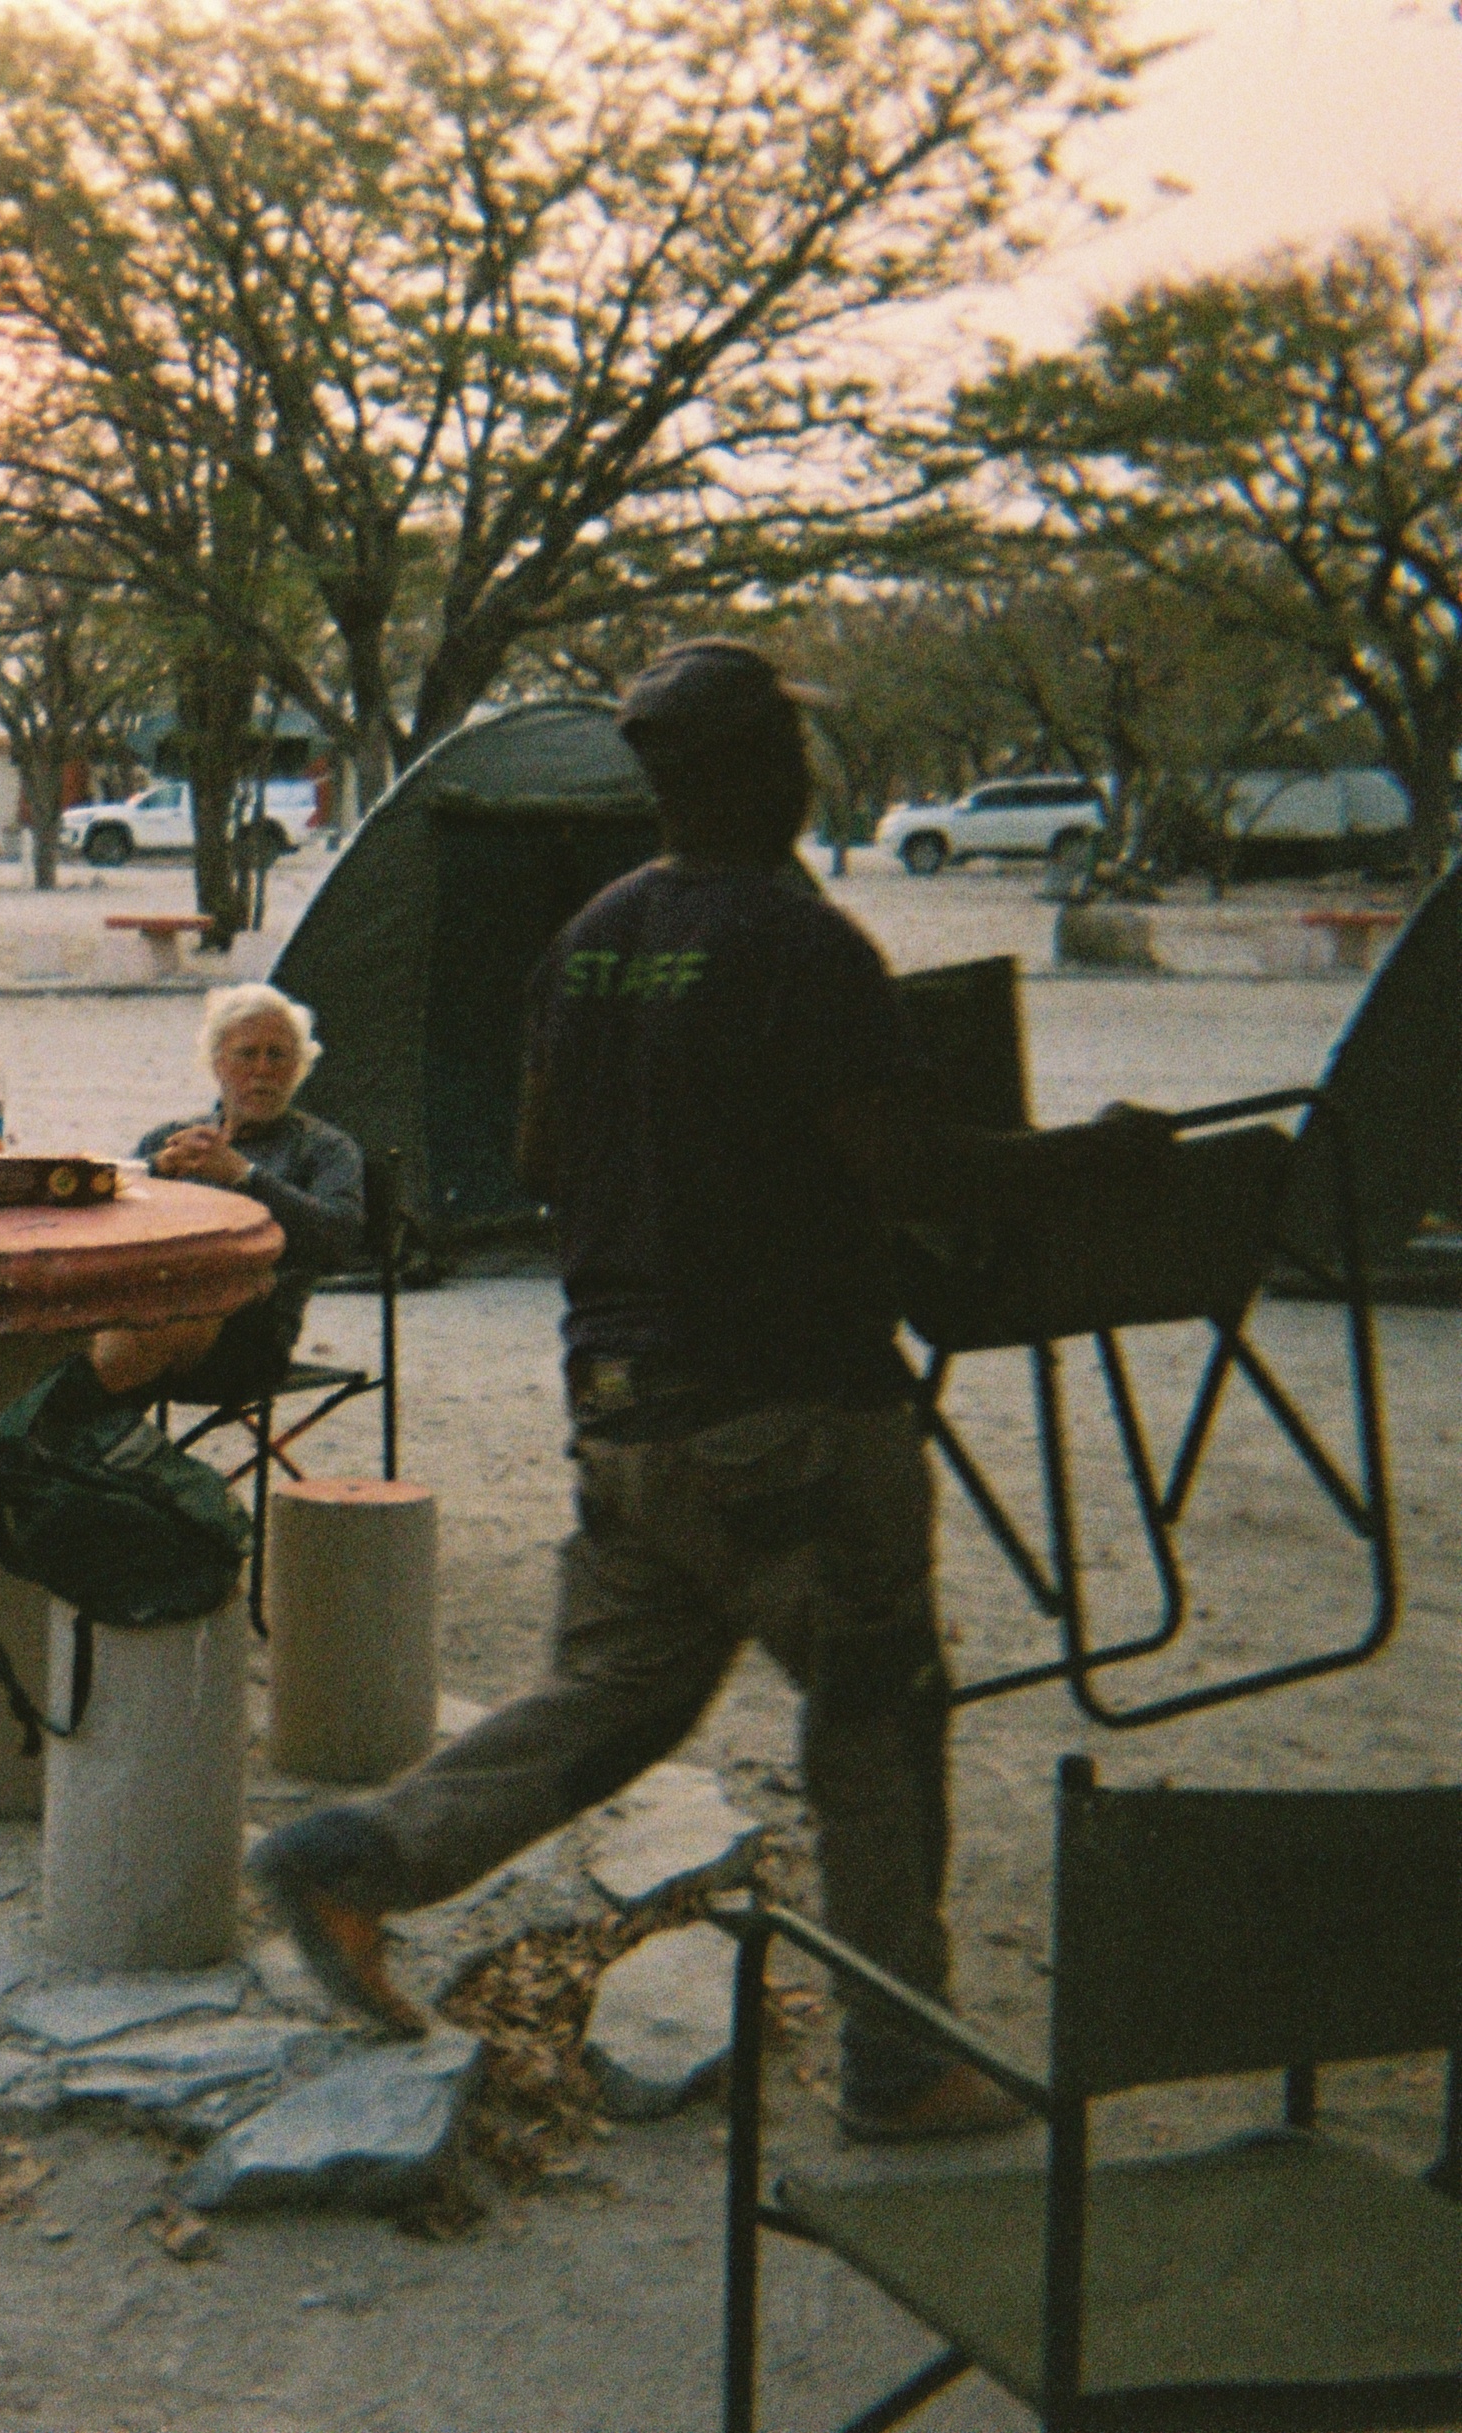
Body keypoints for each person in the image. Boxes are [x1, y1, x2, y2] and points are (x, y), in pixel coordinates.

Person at [246, 639, 1164, 2146]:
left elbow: (543, 1162)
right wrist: (1093, 1157)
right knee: (874, 1721)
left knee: (607, 1700)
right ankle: (896, 2055)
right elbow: (903, 1168)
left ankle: (357, 1857)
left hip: (624, 1415)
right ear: (752, 772)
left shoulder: (592, 935)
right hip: (791, 1409)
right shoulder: (807, 946)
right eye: (789, 749)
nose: (807, 770)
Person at [82, 982, 367, 1409]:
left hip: (249, 1339)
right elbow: (104, 1222)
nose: (263, 1070)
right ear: (218, 1064)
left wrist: (246, 1176)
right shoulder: (172, 1140)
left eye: (278, 1055)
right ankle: (90, 1451)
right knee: (51, 1332)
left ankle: (88, 1452)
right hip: (154, 1313)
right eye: (247, 1054)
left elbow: (340, 1240)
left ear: (298, 1068)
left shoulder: (324, 1148)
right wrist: (154, 1173)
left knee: (132, 1336)